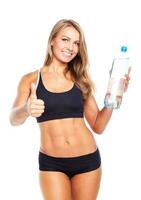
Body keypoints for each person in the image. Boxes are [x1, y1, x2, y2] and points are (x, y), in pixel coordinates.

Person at [10, 19, 130, 200]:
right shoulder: (30, 79)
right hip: (52, 164)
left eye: (76, 43)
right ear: (52, 40)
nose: (71, 47)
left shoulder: (80, 79)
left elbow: (98, 126)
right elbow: (13, 119)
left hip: (87, 161)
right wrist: (27, 109)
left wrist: (113, 97)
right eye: (65, 40)